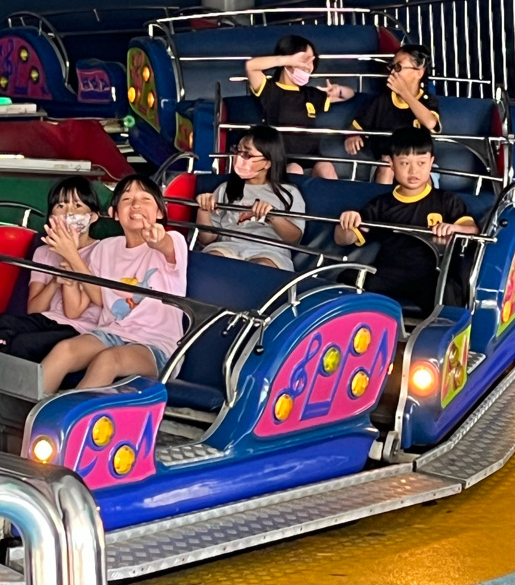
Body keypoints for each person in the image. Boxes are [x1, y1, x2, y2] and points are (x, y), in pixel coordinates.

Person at [40, 174, 188, 393]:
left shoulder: (174, 241)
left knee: (108, 360)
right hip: (111, 332)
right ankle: (30, 411)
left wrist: (158, 239)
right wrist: (71, 255)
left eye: (145, 199)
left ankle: (68, 414)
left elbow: (164, 244)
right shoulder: (105, 248)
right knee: (64, 350)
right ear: (114, 213)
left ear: (159, 212)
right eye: (127, 199)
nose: (136, 204)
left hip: (157, 345)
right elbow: (99, 297)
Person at [334, 127, 478, 316]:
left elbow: (472, 229)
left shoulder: (446, 201)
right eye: (404, 163)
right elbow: (342, 239)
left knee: (449, 290)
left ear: (431, 163)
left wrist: (454, 228)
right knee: (346, 279)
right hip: (388, 275)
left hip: (428, 277)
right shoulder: (381, 205)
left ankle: (448, 331)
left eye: (421, 163)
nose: (413, 170)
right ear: (391, 164)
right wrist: (348, 223)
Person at [0, 175, 103, 362]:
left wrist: (68, 254)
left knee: (23, 344)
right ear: (52, 217)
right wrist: (54, 282)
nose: (68, 212)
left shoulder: (101, 250)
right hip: (46, 320)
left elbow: (73, 312)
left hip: (80, 329)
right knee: (3, 323)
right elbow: (34, 309)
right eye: (60, 206)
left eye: (77, 206)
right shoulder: (43, 252)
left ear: (93, 216)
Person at [196, 125, 306, 271]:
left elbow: (294, 238)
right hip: (227, 247)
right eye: (238, 151)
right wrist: (203, 210)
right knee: (210, 262)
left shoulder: (289, 193)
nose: (239, 158)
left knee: (260, 268)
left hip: (270, 252)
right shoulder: (225, 189)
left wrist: (273, 216)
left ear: (267, 162)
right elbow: (206, 239)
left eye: (247, 154)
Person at [245, 33, 352, 178]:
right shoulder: (269, 89)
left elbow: (349, 95)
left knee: (326, 167)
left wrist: (338, 89)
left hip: (311, 157)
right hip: (281, 159)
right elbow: (250, 66)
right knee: (294, 169)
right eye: (305, 59)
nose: (309, 66)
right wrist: (287, 60)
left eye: (312, 61)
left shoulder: (311, 94)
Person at [344, 44, 441, 184]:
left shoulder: (427, 101)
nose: (393, 73)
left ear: (419, 72)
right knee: (386, 164)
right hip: (389, 163)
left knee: (421, 169)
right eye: (392, 67)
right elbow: (356, 127)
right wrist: (352, 136)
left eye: (398, 67)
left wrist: (404, 93)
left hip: (419, 162)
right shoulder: (381, 101)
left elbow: (431, 123)